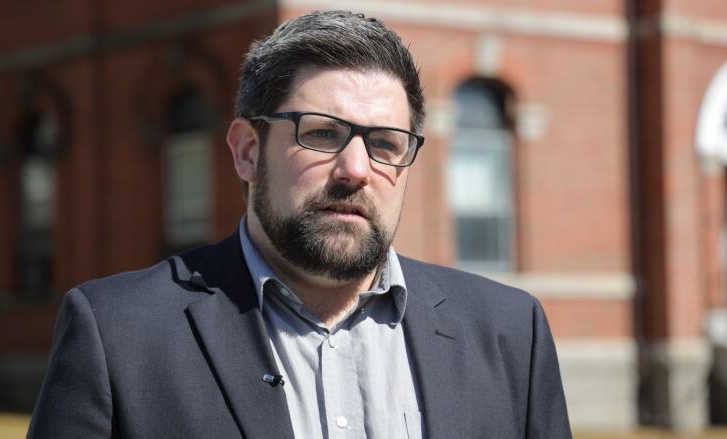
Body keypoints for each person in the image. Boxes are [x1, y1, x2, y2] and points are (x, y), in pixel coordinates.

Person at [28, 10, 571, 439]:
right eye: (322, 133)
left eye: (385, 144)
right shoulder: (118, 334)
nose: (357, 169)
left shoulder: (508, 333)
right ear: (246, 151)